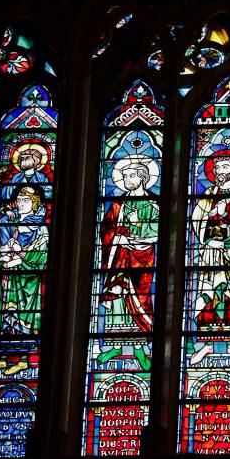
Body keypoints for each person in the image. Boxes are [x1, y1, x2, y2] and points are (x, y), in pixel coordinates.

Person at [188, 152, 230, 365]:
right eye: (217, 168)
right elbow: (197, 219)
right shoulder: (209, 193)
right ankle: (206, 344)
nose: (218, 172)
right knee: (208, 292)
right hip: (210, 252)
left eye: (224, 168)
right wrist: (208, 239)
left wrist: (226, 217)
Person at [96, 158, 159, 369]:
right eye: (124, 177)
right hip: (119, 256)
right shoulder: (118, 204)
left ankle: (140, 347)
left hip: (142, 259)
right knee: (117, 298)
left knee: (139, 298)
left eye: (130, 176)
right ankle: (115, 345)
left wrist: (138, 230)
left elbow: (160, 232)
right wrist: (117, 238)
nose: (125, 180)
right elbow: (105, 229)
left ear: (142, 178)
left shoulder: (155, 203)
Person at [0, 186, 49, 376]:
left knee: (22, 319)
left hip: (27, 281)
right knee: (5, 318)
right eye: (19, 200)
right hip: (8, 277)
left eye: (26, 201)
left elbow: (43, 255)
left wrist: (22, 259)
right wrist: (2, 256)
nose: (21, 204)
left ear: (35, 204)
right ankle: (2, 359)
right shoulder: (10, 224)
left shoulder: (40, 228)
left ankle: (23, 360)